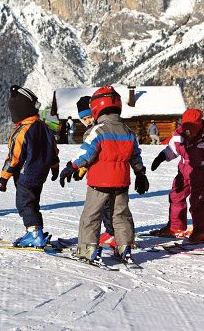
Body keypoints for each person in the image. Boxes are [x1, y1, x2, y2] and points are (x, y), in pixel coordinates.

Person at [59, 86, 148, 264]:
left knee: (91, 215)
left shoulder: (98, 130)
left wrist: (71, 166)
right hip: (122, 182)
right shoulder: (128, 132)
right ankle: (124, 248)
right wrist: (140, 174)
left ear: (96, 107)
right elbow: (135, 156)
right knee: (121, 215)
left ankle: (88, 249)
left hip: (99, 182)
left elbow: (86, 153)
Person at [150, 109, 204, 243]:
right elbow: (172, 149)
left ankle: (202, 231)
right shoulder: (179, 136)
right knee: (176, 196)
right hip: (183, 173)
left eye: (192, 130)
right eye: (187, 129)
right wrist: (161, 157)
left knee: (197, 201)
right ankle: (176, 227)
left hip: (200, 174)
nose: (189, 133)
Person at [0, 85, 59, 247]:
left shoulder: (22, 131)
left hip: (25, 175)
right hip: (41, 174)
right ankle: (35, 230)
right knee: (33, 203)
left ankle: (34, 233)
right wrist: (55, 167)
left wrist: (4, 177)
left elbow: (14, 157)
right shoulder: (45, 128)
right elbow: (53, 150)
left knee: (25, 204)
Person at [71, 95, 118, 249]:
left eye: (90, 116)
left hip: (104, 176)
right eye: (84, 119)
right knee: (109, 206)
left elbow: (94, 154)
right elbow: (91, 155)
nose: (88, 121)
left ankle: (113, 234)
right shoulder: (97, 129)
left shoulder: (99, 130)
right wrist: (82, 170)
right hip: (104, 174)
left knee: (106, 207)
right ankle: (114, 233)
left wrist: (77, 167)